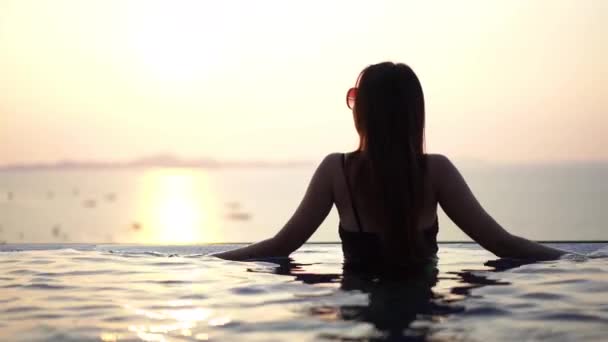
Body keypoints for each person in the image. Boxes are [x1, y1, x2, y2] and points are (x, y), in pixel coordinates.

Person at [213, 62, 567, 268]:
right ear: (415, 114)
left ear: (365, 112)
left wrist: (206, 261)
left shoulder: (336, 171)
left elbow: (279, 247)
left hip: (359, 317)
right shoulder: (436, 172)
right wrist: (582, 261)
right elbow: (503, 244)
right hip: (424, 310)